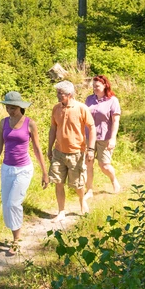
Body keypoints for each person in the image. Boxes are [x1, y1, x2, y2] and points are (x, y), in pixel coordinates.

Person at [0, 91, 48, 256]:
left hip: (23, 169)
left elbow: (37, 149)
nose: (9, 111)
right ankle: (14, 235)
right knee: (6, 205)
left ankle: (16, 241)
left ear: (20, 107)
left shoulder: (30, 124)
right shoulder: (3, 123)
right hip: (7, 168)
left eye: (13, 108)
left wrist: (45, 172)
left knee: (13, 203)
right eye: (7, 107)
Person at [47, 80, 96, 219]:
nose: (58, 95)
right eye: (57, 93)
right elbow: (53, 128)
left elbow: (91, 127)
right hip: (58, 152)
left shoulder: (81, 108)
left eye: (60, 93)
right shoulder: (56, 108)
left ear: (69, 94)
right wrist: (49, 148)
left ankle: (82, 202)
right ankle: (61, 211)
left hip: (76, 152)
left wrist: (91, 149)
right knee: (58, 181)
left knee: (77, 184)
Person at [85, 75, 123, 194]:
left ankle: (114, 180)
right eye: (93, 86)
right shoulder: (89, 99)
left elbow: (116, 121)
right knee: (88, 163)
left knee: (104, 165)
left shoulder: (112, 100)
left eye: (97, 86)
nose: (95, 88)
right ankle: (89, 190)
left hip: (104, 137)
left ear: (105, 85)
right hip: (89, 136)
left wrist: (113, 139)